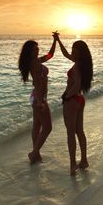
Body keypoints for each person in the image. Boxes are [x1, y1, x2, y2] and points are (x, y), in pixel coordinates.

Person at [54, 33, 93, 175]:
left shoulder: (77, 67)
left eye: (75, 52)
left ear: (80, 53)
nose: (72, 54)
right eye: (73, 51)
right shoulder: (82, 64)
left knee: (71, 134)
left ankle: (72, 164)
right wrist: (58, 41)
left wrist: (66, 96)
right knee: (79, 131)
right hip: (80, 100)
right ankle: (84, 160)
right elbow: (66, 55)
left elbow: (76, 85)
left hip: (72, 101)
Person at [18, 32, 58, 164]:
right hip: (38, 98)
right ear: (29, 52)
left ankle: (36, 155)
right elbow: (37, 83)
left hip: (36, 97)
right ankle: (34, 153)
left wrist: (55, 41)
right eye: (35, 49)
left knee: (37, 125)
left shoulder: (36, 61)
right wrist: (41, 101)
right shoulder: (34, 64)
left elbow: (50, 55)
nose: (37, 49)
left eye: (37, 48)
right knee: (47, 128)